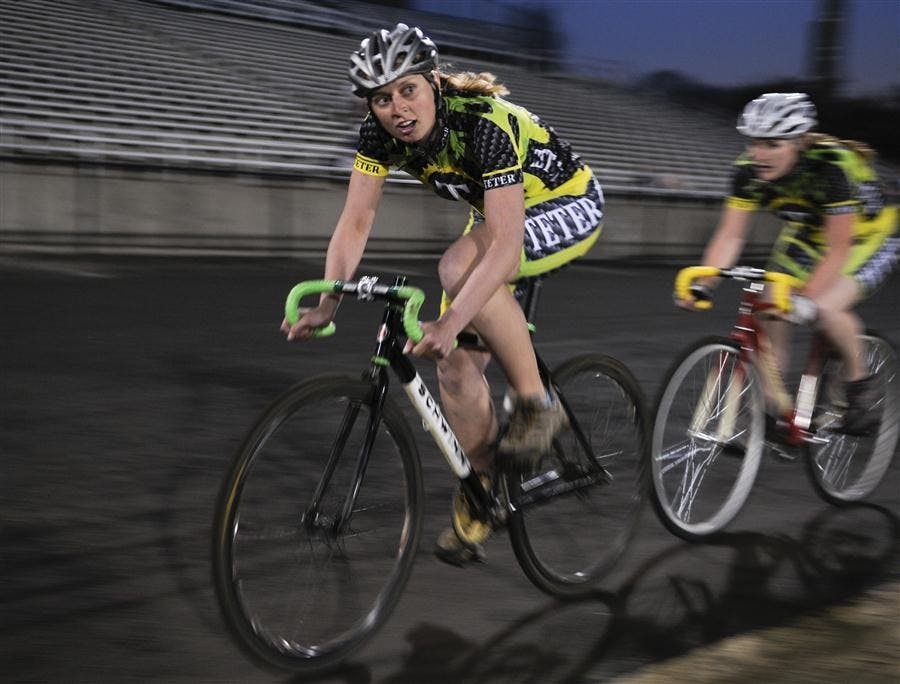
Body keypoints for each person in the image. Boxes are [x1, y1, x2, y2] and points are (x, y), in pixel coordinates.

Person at [281, 23, 605, 564]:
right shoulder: (377, 135)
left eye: (408, 89)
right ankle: (482, 491)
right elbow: (356, 221)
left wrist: (452, 321)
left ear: (432, 82)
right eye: (382, 98)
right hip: (499, 215)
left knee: (459, 268)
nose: (398, 108)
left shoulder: (482, 123)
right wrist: (329, 301)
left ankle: (537, 405)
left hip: (567, 200)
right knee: (453, 368)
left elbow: (502, 248)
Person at [677, 92, 898, 435]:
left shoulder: (830, 168)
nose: (759, 154)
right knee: (769, 305)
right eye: (754, 142)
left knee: (823, 309)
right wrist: (703, 283)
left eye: (772, 144)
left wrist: (806, 297)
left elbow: (839, 248)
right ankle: (776, 407)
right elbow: (730, 236)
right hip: (811, 231)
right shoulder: (746, 171)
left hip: (868, 236)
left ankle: (860, 384)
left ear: (799, 143)